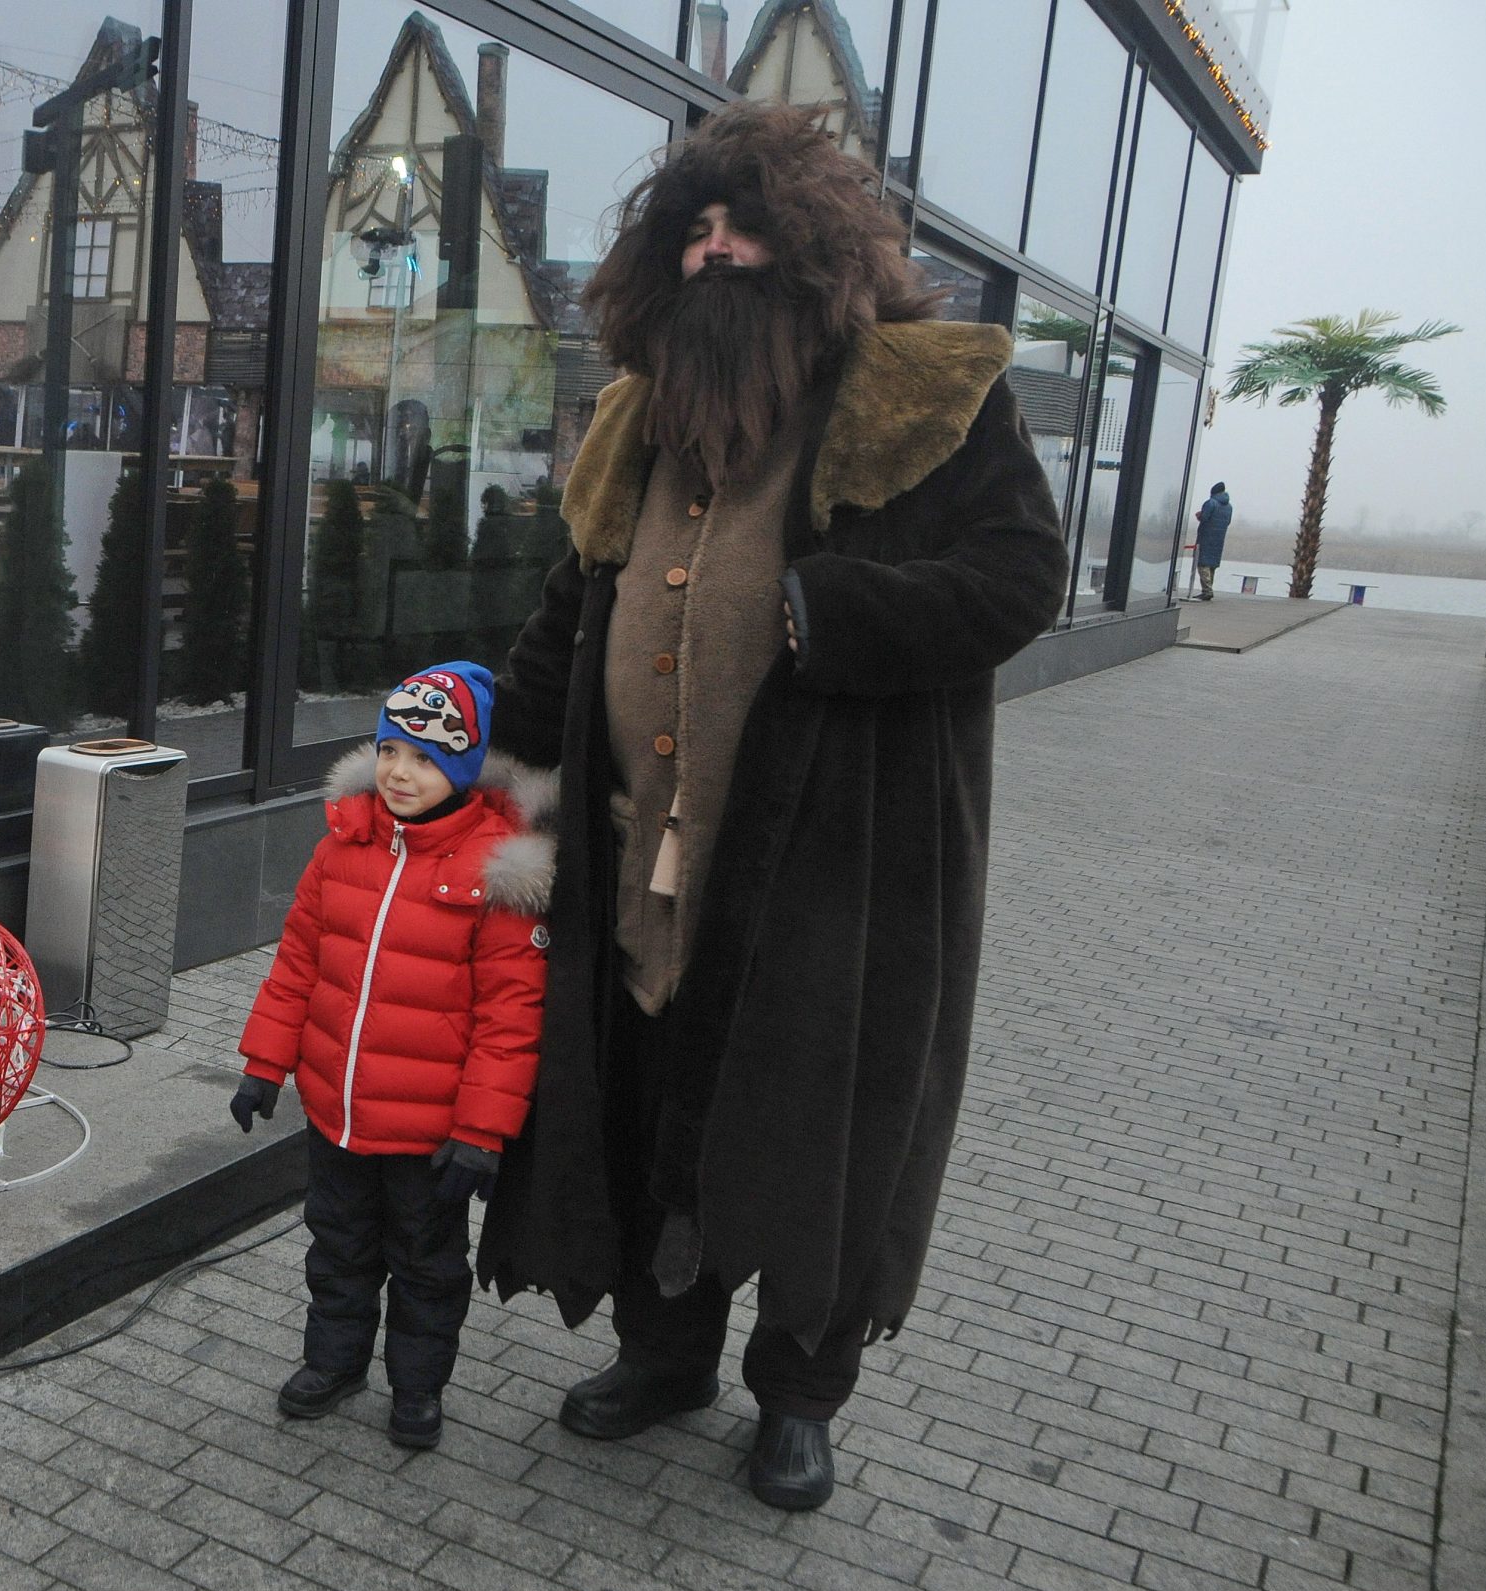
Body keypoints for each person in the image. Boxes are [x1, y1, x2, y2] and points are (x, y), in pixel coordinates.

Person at [476, 101, 1069, 1511]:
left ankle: (799, 1397)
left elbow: (1019, 577)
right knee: (644, 1107)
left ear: (815, 251)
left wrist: (825, 612)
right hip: (636, 863)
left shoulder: (927, 396)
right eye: (694, 229)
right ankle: (665, 1354)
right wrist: (495, 743)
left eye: (743, 225)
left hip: (836, 868)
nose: (716, 250)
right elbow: (581, 595)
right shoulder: (642, 414)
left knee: (815, 1128)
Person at [230, 663, 552, 1450]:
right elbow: (300, 962)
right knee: (337, 1247)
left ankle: (417, 1389)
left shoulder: (495, 870)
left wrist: (481, 1132)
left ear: (467, 767)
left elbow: (511, 1019)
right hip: (337, 1112)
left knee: (426, 1266)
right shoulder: (345, 846)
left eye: (428, 757)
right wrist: (264, 1062)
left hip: (429, 1134)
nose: (402, 773)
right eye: (390, 751)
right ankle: (335, 1364)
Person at [1194, 481, 1233, 599]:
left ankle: (1207, 591)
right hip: (1219, 538)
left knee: (1203, 563)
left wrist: (1199, 515)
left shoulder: (1211, 503)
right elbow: (1228, 522)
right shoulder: (1229, 507)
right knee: (1212, 565)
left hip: (1206, 537)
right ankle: (1209, 588)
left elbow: (1205, 518)